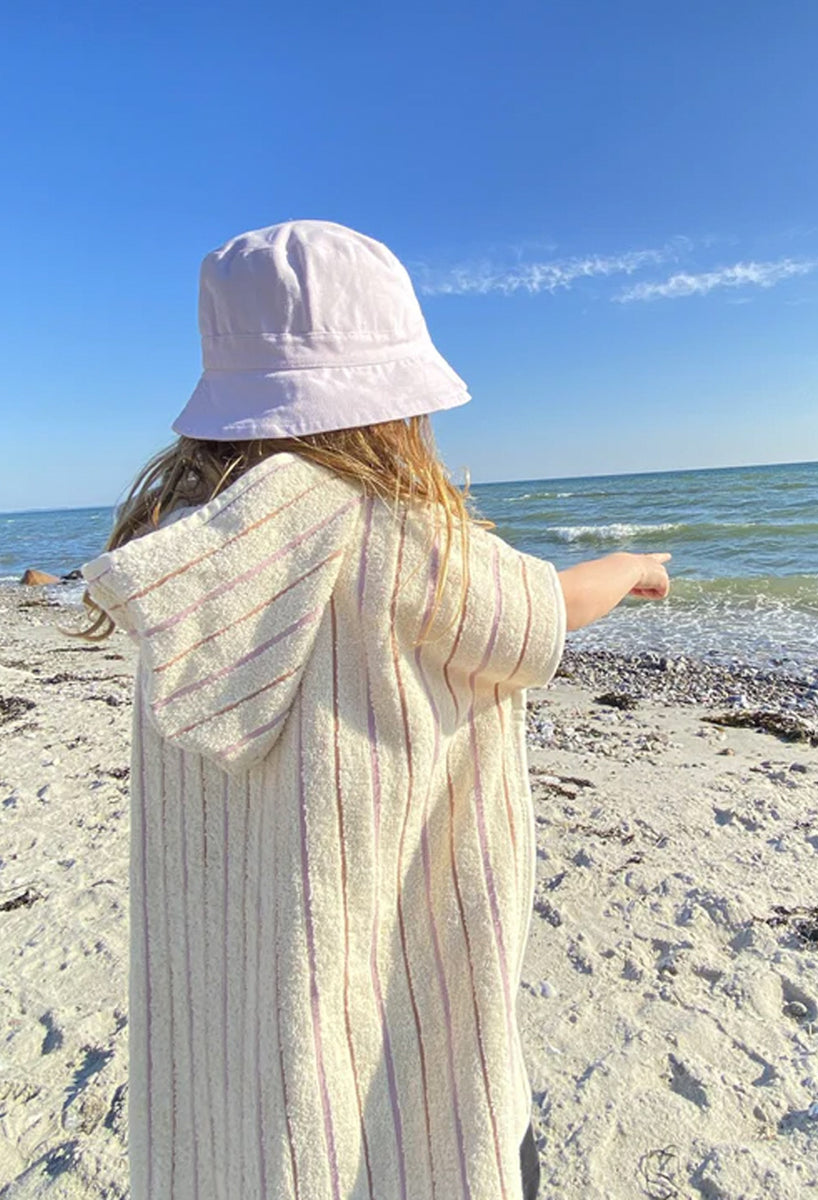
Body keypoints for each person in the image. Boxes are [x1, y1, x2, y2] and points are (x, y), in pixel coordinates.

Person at [80, 220, 671, 1200]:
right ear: (393, 405)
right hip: (372, 1055)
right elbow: (540, 611)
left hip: (230, 1061)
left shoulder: (178, 553)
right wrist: (634, 565)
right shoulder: (398, 544)